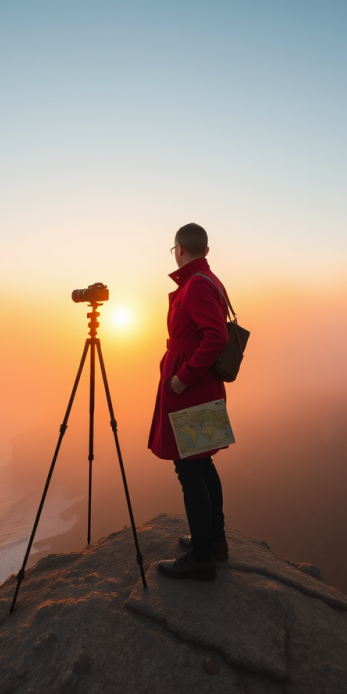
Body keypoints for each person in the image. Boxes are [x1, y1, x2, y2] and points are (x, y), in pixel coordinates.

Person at [148, 223, 231, 581]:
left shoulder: (195, 284)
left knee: (189, 470)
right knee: (202, 463)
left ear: (179, 249)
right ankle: (213, 541)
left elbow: (217, 337)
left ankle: (201, 558)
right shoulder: (208, 279)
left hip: (191, 389)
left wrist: (182, 377)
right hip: (200, 386)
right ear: (206, 250)